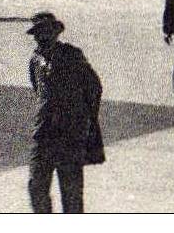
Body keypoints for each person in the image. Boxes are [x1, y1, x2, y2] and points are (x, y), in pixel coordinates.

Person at [27, 11, 105, 214]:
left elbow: (94, 87)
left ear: (55, 33)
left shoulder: (72, 55)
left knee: (71, 194)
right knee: (36, 187)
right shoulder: (35, 60)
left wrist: (85, 120)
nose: (40, 38)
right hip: (43, 133)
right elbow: (39, 91)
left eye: (45, 32)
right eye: (37, 34)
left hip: (70, 134)